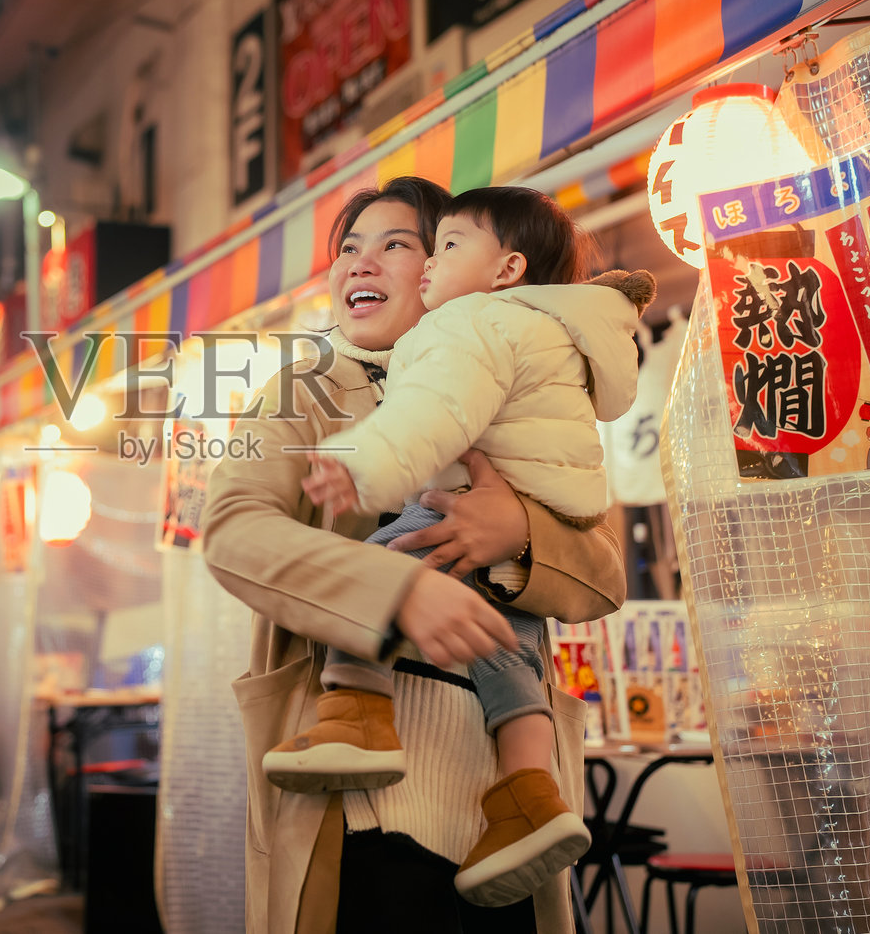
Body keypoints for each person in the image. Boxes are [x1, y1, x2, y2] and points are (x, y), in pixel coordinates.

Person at [201, 176, 627, 933]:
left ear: (442, 268)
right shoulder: (301, 392)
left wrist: (519, 532)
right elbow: (233, 529)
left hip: (500, 811)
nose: (359, 264)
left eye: (395, 244)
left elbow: (605, 574)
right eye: (349, 248)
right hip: (357, 806)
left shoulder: (517, 382)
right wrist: (393, 588)